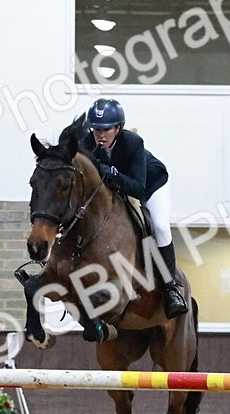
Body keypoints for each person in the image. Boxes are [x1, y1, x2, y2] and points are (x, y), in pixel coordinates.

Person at [77, 98, 188, 318]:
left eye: (106, 129)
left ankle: (170, 288)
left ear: (118, 128)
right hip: (115, 189)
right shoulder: (86, 144)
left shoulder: (133, 143)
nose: (100, 135)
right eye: (95, 129)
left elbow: (138, 188)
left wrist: (112, 173)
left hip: (151, 185)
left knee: (160, 226)